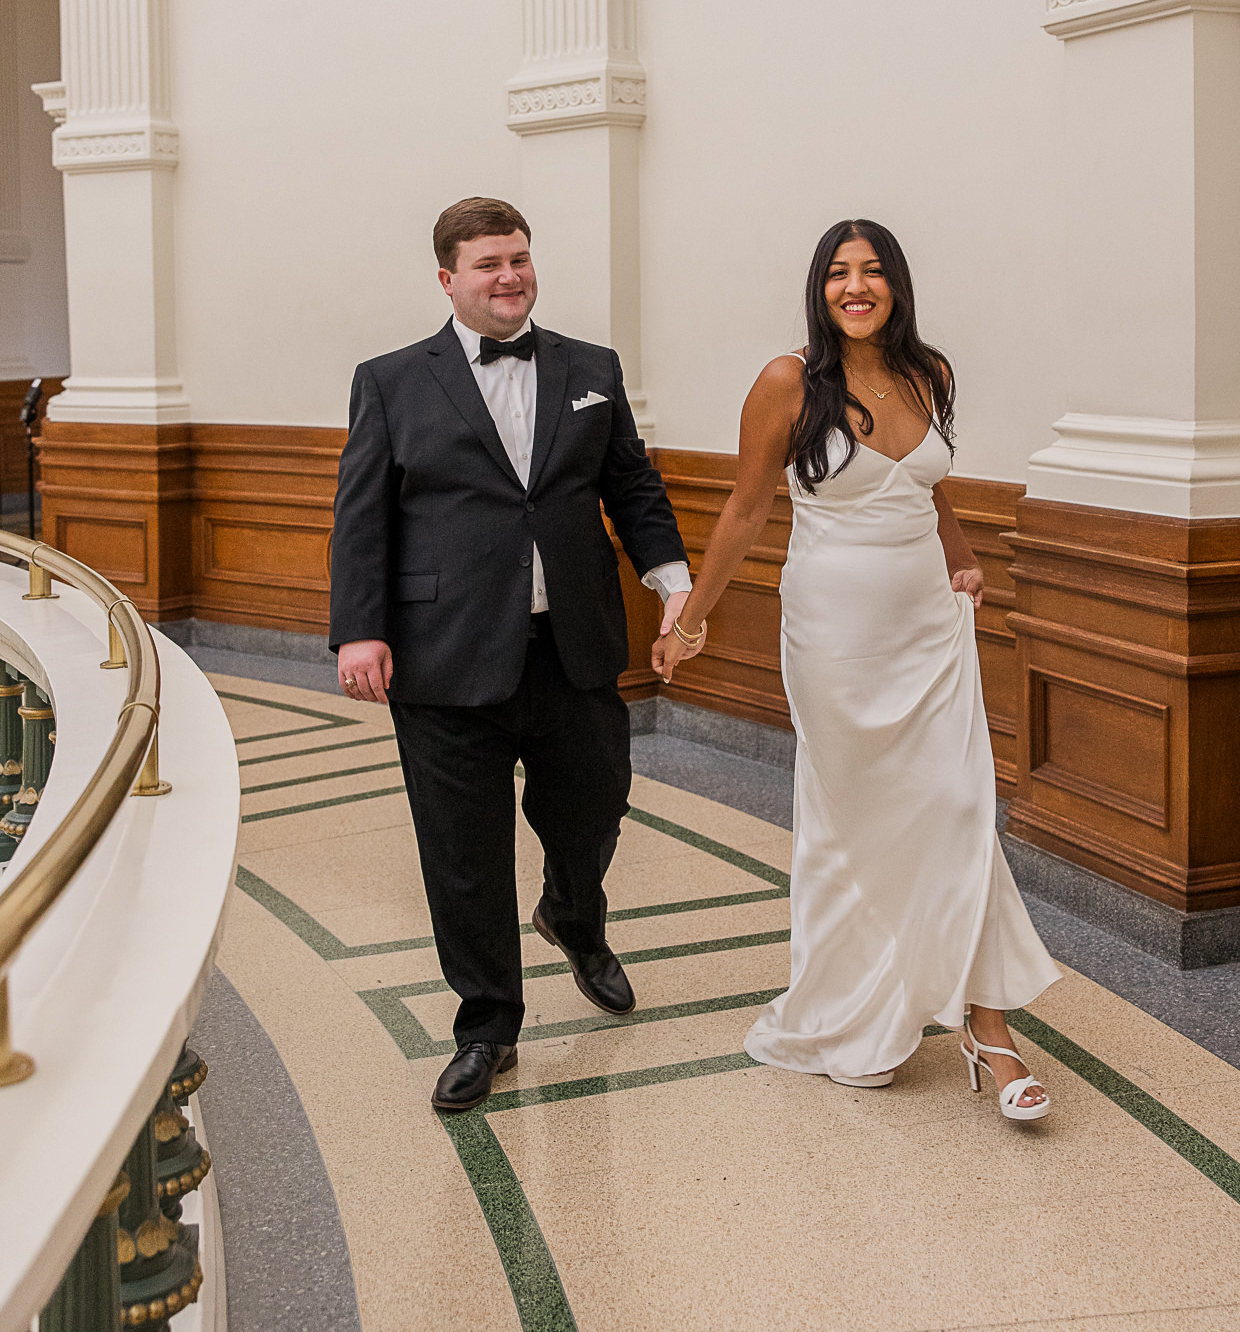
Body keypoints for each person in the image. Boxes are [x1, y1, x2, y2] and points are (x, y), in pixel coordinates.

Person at [652, 219, 1059, 1119]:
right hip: (834, 635)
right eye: (838, 273)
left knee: (956, 808)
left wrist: (960, 555)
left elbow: (924, 483)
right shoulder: (786, 382)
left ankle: (988, 1032)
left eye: (872, 271)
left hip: (928, 624)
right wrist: (692, 616)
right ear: (819, 288)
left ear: (896, 284)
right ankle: (850, 1017)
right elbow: (748, 508)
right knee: (852, 824)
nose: (855, 287)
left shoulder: (930, 373)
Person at [330, 196, 691, 1111]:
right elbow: (361, 516)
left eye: (520, 258)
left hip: (571, 645)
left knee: (595, 803)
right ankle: (487, 1026)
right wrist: (358, 628)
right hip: (444, 657)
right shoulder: (389, 380)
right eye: (489, 263)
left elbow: (632, 487)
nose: (510, 276)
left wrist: (673, 579)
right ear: (447, 278)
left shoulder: (590, 368)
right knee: (464, 852)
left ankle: (573, 912)